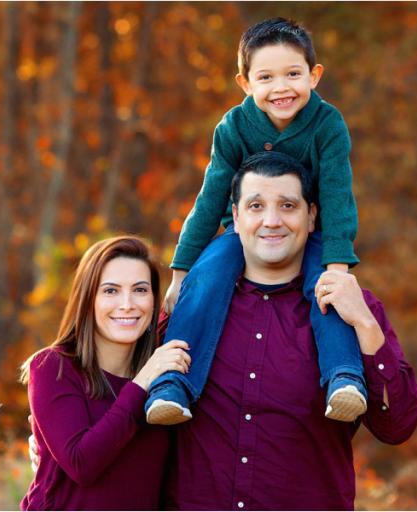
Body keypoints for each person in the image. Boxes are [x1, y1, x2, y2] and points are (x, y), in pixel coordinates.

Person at [163, 151, 417, 509]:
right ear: (235, 217)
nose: (271, 220)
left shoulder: (351, 310)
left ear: (311, 216)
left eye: (287, 205)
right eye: (255, 206)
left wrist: (364, 323)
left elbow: (398, 425)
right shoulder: (192, 310)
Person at [146, 17, 367, 426]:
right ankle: (173, 383)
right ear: (245, 83)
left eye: (293, 74)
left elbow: (338, 197)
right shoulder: (232, 127)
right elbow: (211, 199)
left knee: (326, 290)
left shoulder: (328, 125)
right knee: (209, 274)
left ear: (314, 76)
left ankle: (344, 377)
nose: (281, 87)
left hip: (309, 231)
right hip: (245, 232)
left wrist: (338, 269)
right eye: (266, 77)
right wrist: (180, 274)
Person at [19, 236, 191, 511]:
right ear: (88, 300)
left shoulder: (165, 380)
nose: (127, 304)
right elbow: (82, 464)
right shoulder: (53, 367)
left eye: (140, 290)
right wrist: (142, 382)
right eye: (110, 291)